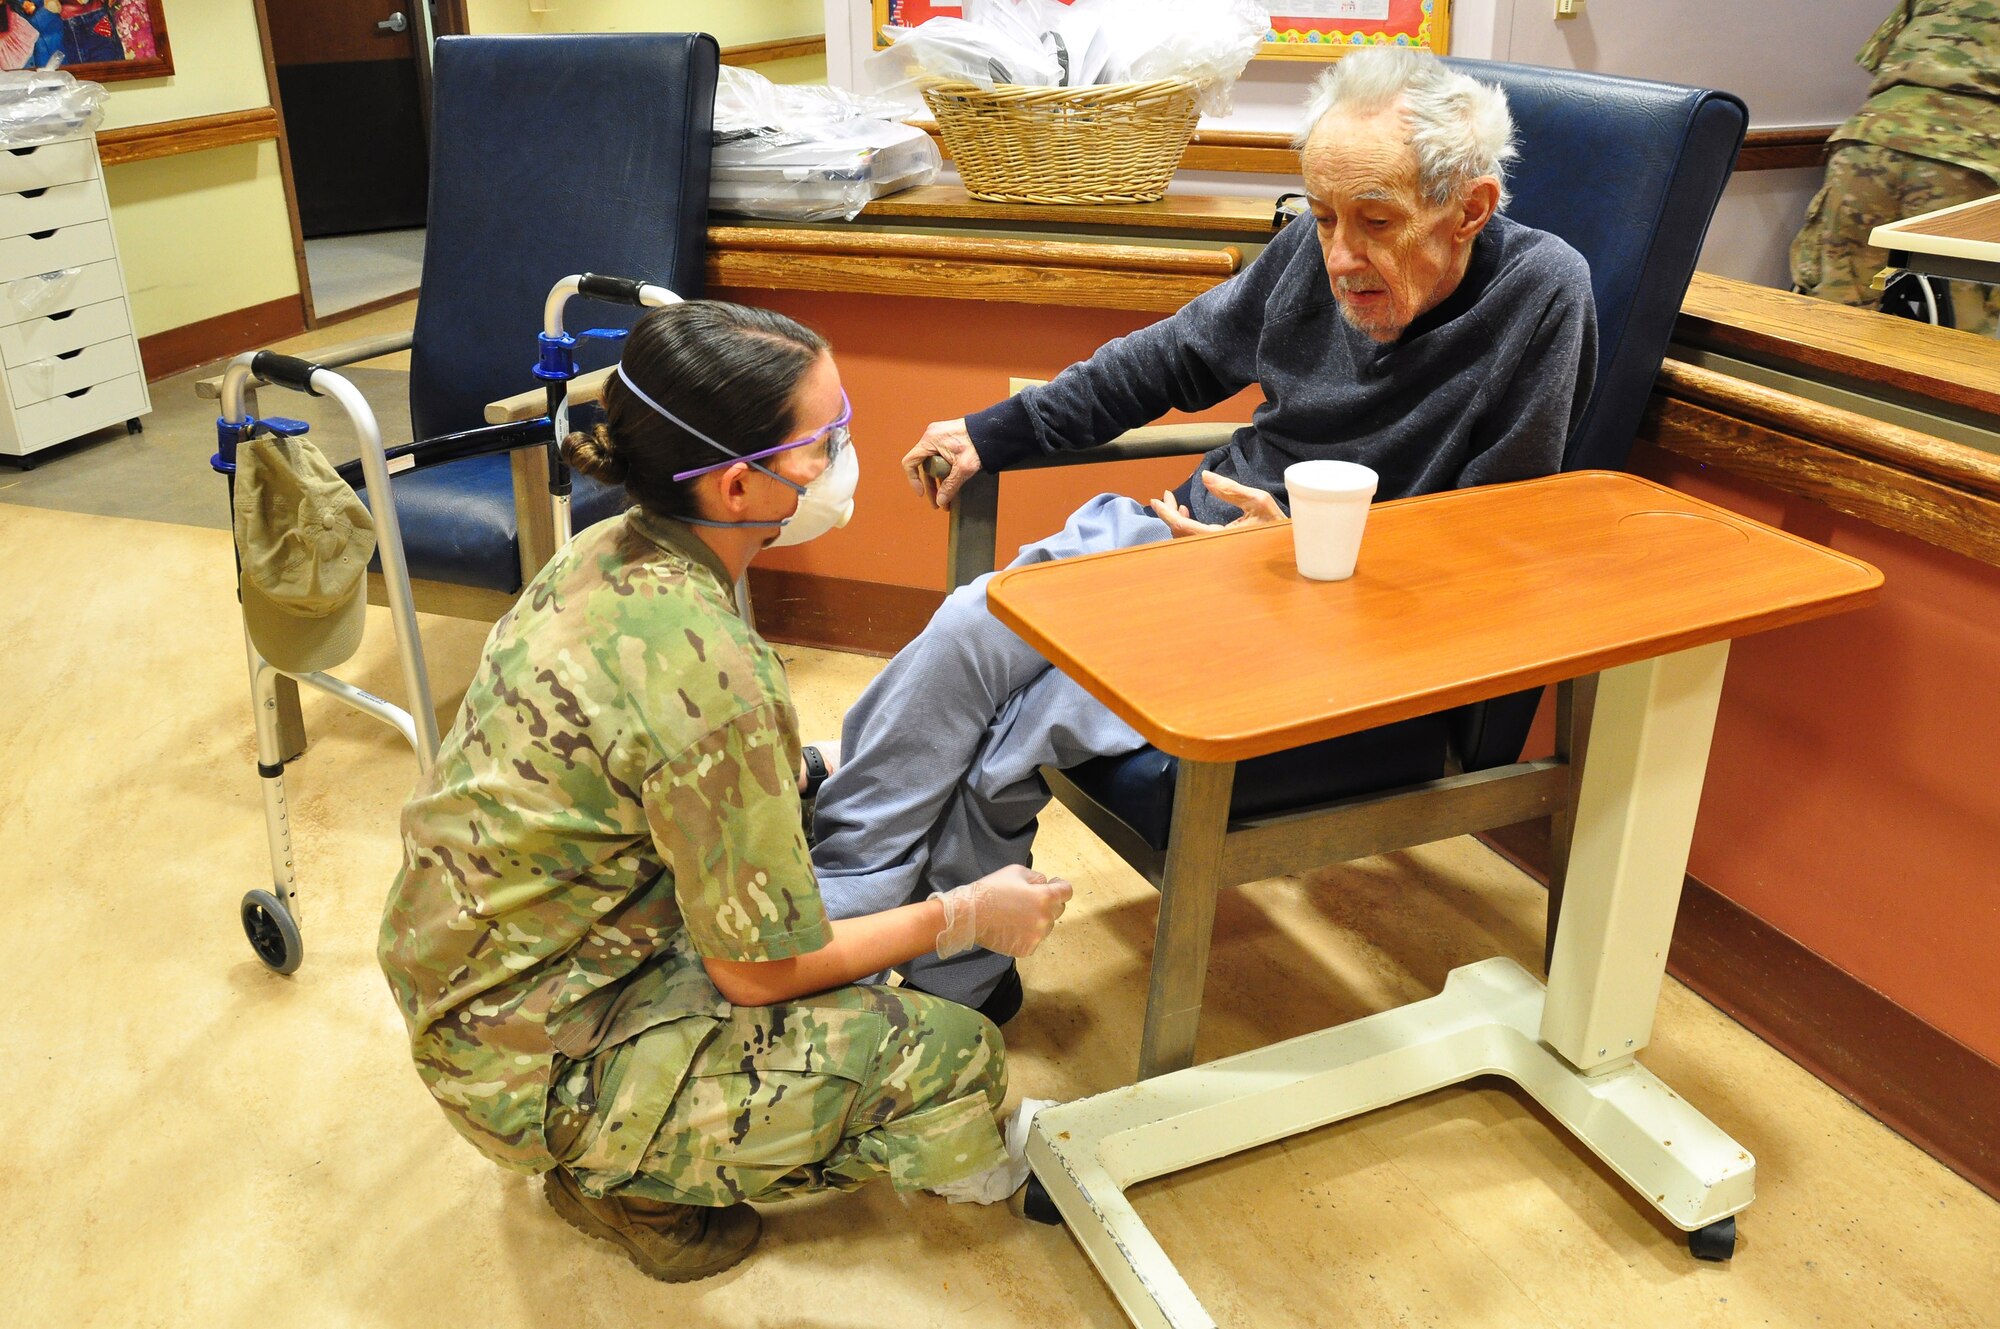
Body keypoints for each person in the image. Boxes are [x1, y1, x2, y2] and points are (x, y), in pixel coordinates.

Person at [808, 47, 1598, 1021]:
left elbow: (1497, 537)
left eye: (1376, 223)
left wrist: (1308, 560)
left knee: (1014, 733)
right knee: (978, 620)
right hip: (1186, 539)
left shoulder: (1540, 294)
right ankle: (837, 905)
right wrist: (993, 431)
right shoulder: (1313, 256)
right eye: (1321, 215)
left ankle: (950, 984)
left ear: (1468, 210)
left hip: (1334, 617)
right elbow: (1170, 356)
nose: (1339, 254)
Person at [378, 301, 1072, 1283]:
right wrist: (960, 916)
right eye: (823, 443)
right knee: (948, 1053)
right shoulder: (715, 676)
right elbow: (759, 976)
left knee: (824, 884)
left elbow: (659, 766)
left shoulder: (604, 553)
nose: (844, 457)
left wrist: (804, 775)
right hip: (531, 1056)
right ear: (739, 485)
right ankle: (623, 1176)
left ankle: (619, 1124)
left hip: (470, 966)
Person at [1791, 0, 2000, 334]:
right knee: (1966, 330)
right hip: (1975, 156)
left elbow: (1881, 58)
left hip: (1872, 137)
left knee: (1832, 306)